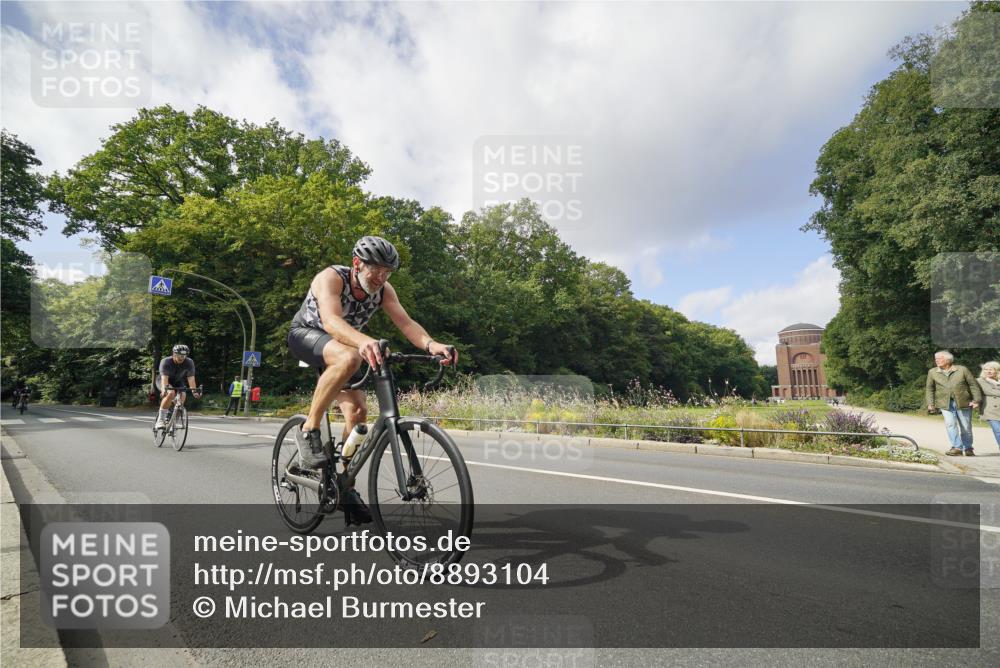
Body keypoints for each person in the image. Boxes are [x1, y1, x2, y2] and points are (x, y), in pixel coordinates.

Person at [286, 236, 458, 517]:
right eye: (375, 270)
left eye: (387, 272)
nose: (381, 278)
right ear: (357, 263)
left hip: (345, 345)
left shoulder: (384, 291)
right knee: (350, 357)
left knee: (358, 412)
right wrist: (365, 341)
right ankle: (309, 428)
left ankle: (345, 486)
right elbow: (331, 321)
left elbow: (406, 323)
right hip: (307, 334)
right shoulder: (331, 278)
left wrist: (431, 345)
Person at [926, 350, 982, 456]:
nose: (936, 360)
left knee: (966, 427)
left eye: (939, 358)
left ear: (948, 360)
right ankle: (957, 447)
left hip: (963, 402)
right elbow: (930, 388)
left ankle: (968, 448)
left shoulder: (962, 370)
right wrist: (930, 403)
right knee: (950, 424)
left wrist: (976, 400)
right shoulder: (932, 372)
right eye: (936, 358)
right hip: (945, 403)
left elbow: (973, 385)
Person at [155, 344, 202, 429]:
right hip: (164, 380)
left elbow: (191, 378)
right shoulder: (166, 361)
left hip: (177, 381)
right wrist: (164, 390)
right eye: (179, 356)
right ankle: (160, 420)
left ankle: (174, 421)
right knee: (171, 393)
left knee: (183, 396)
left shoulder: (189, 362)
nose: (182, 358)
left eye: (184, 356)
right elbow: (164, 379)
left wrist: (194, 391)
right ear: (174, 354)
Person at [977, 361, 1000, 450]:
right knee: (998, 430)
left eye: (991, 369)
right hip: (990, 409)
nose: (988, 371)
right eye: (986, 369)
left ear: (997, 371)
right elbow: (975, 392)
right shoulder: (979, 381)